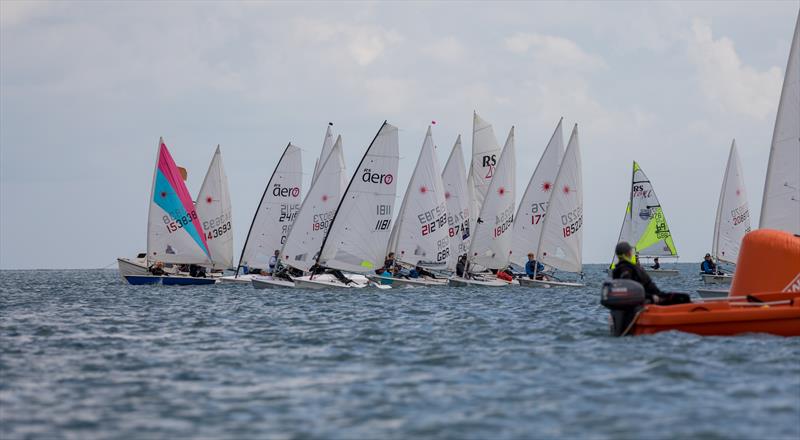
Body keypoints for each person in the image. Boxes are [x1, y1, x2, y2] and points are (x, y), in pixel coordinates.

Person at [612, 241, 690, 305]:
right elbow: (629, 289)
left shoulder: (619, 269)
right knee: (684, 297)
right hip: (653, 296)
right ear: (629, 253)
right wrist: (651, 297)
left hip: (653, 294)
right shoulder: (626, 269)